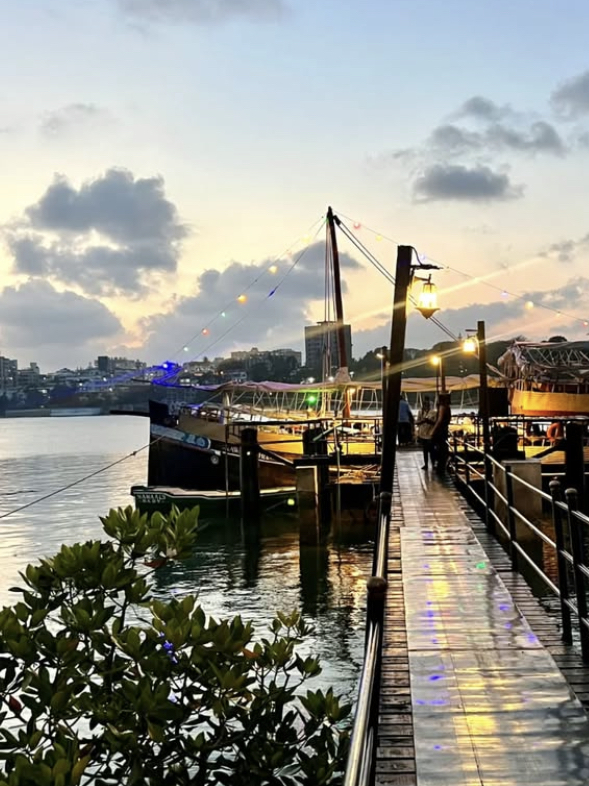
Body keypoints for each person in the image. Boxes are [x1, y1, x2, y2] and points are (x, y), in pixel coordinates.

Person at [430, 393, 452, 473]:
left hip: (440, 430)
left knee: (436, 447)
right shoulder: (448, 407)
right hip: (444, 429)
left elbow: (439, 420)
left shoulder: (442, 407)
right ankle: (441, 465)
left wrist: (433, 431)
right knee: (443, 447)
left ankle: (438, 465)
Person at [416, 395, 436, 469]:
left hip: (430, 433)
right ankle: (426, 464)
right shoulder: (420, 412)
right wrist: (422, 421)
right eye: (425, 405)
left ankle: (433, 464)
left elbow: (435, 423)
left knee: (431, 450)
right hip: (422, 433)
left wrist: (428, 421)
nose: (426, 407)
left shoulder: (433, 412)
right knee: (425, 450)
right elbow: (417, 422)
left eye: (427, 405)